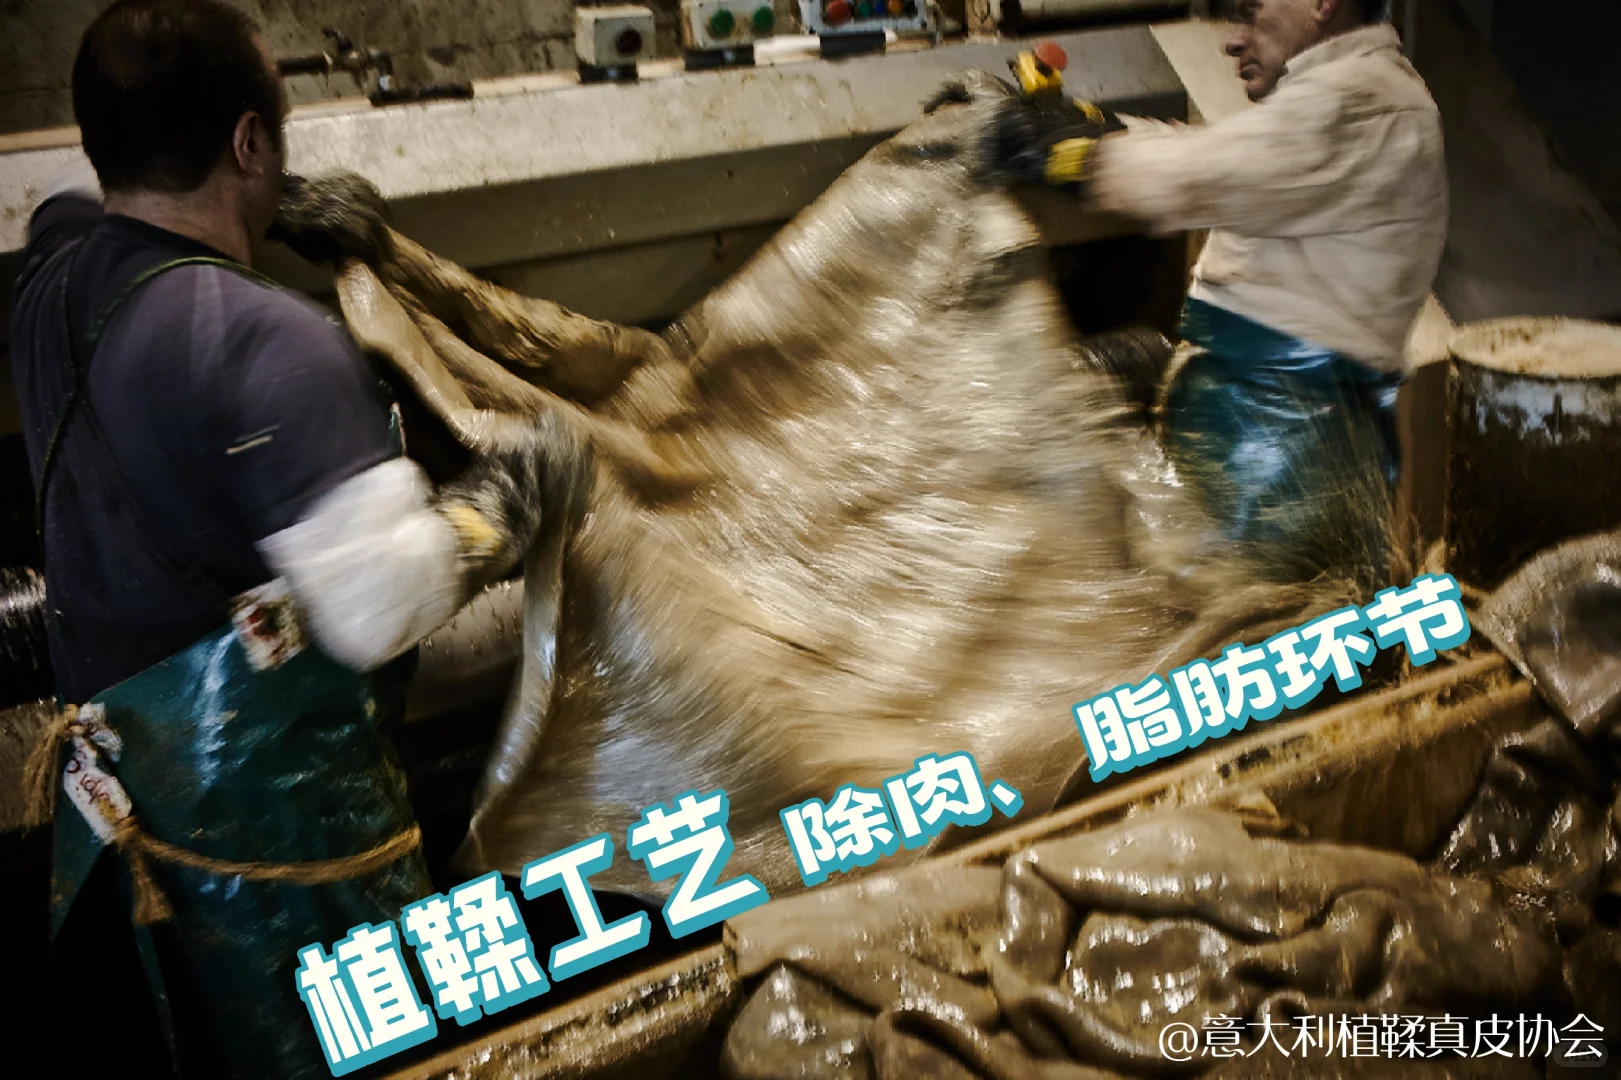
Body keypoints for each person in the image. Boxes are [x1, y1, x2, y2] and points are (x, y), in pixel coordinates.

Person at [8, 1, 572, 1076]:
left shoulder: (53, 275)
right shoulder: (271, 344)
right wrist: (512, 500)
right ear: (248, 141)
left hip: (124, 833)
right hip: (278, 870)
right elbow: (380, 610)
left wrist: (281, 212)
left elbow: (75, 212)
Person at [975, 0, 1446, 584]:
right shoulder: (1345, 95)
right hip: (1271, 432)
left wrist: (1071, 150)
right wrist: (1090, 127)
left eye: (1251, 12)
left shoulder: (1364, 100)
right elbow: (1221, 153)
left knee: (1236, 638)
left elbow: (1200, 173)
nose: (1232, 39)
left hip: (1280, 456)